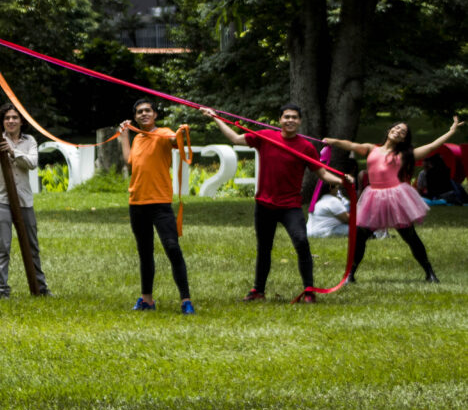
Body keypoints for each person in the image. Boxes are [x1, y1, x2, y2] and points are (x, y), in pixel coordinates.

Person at [201, 104, 350, 303]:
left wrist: (343, 180)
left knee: (301, 243)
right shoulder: (265, 137)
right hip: (264, 205)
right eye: (286, 117)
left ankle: (309, 291)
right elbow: (235, 139)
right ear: (280, 120)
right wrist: (215, 117)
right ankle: (258, 290)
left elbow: (322, 173)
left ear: (299, 122)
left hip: (290, 206)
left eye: (294, 117)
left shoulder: (306, 147)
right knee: (264, 248)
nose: (290, 120)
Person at [322, 117, 464, 283]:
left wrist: (451, 131)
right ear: (389, 131)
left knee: (410, 236)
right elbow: (351, 145)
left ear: (404, 138)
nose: (398, 132)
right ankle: (350, 274)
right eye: (396, 128)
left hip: (396, 197)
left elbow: (432, 146)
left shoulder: (405, 154)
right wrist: (332, 141)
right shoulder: (370, 149)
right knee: (360, 236)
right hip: (373, 197)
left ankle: (430, 273)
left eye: (402, 132)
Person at [119, 99, 193, 314]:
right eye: (139, 112)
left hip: (160, 203)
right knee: (145, 252)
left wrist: (179, 133)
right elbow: (129, 161)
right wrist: (124, 136)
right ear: (135, 117)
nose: (143, 114)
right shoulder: (138, 139)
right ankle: (147, 300)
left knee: (172, 247)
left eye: (147, 111)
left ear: (155, 115)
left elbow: (175, 140)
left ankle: (186, 300)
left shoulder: (163, 134)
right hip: (137, 203)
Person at [0, 94, 50, 299]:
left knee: (32, 246)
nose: (10, 121)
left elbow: (32, 163)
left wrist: (12, 152)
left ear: (21, 121)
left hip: (24, 200)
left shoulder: (30, 141)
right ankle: (2, 290)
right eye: (7, 118)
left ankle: (41, 287)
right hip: (1, 200)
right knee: (3, 246)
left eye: (14, 117)